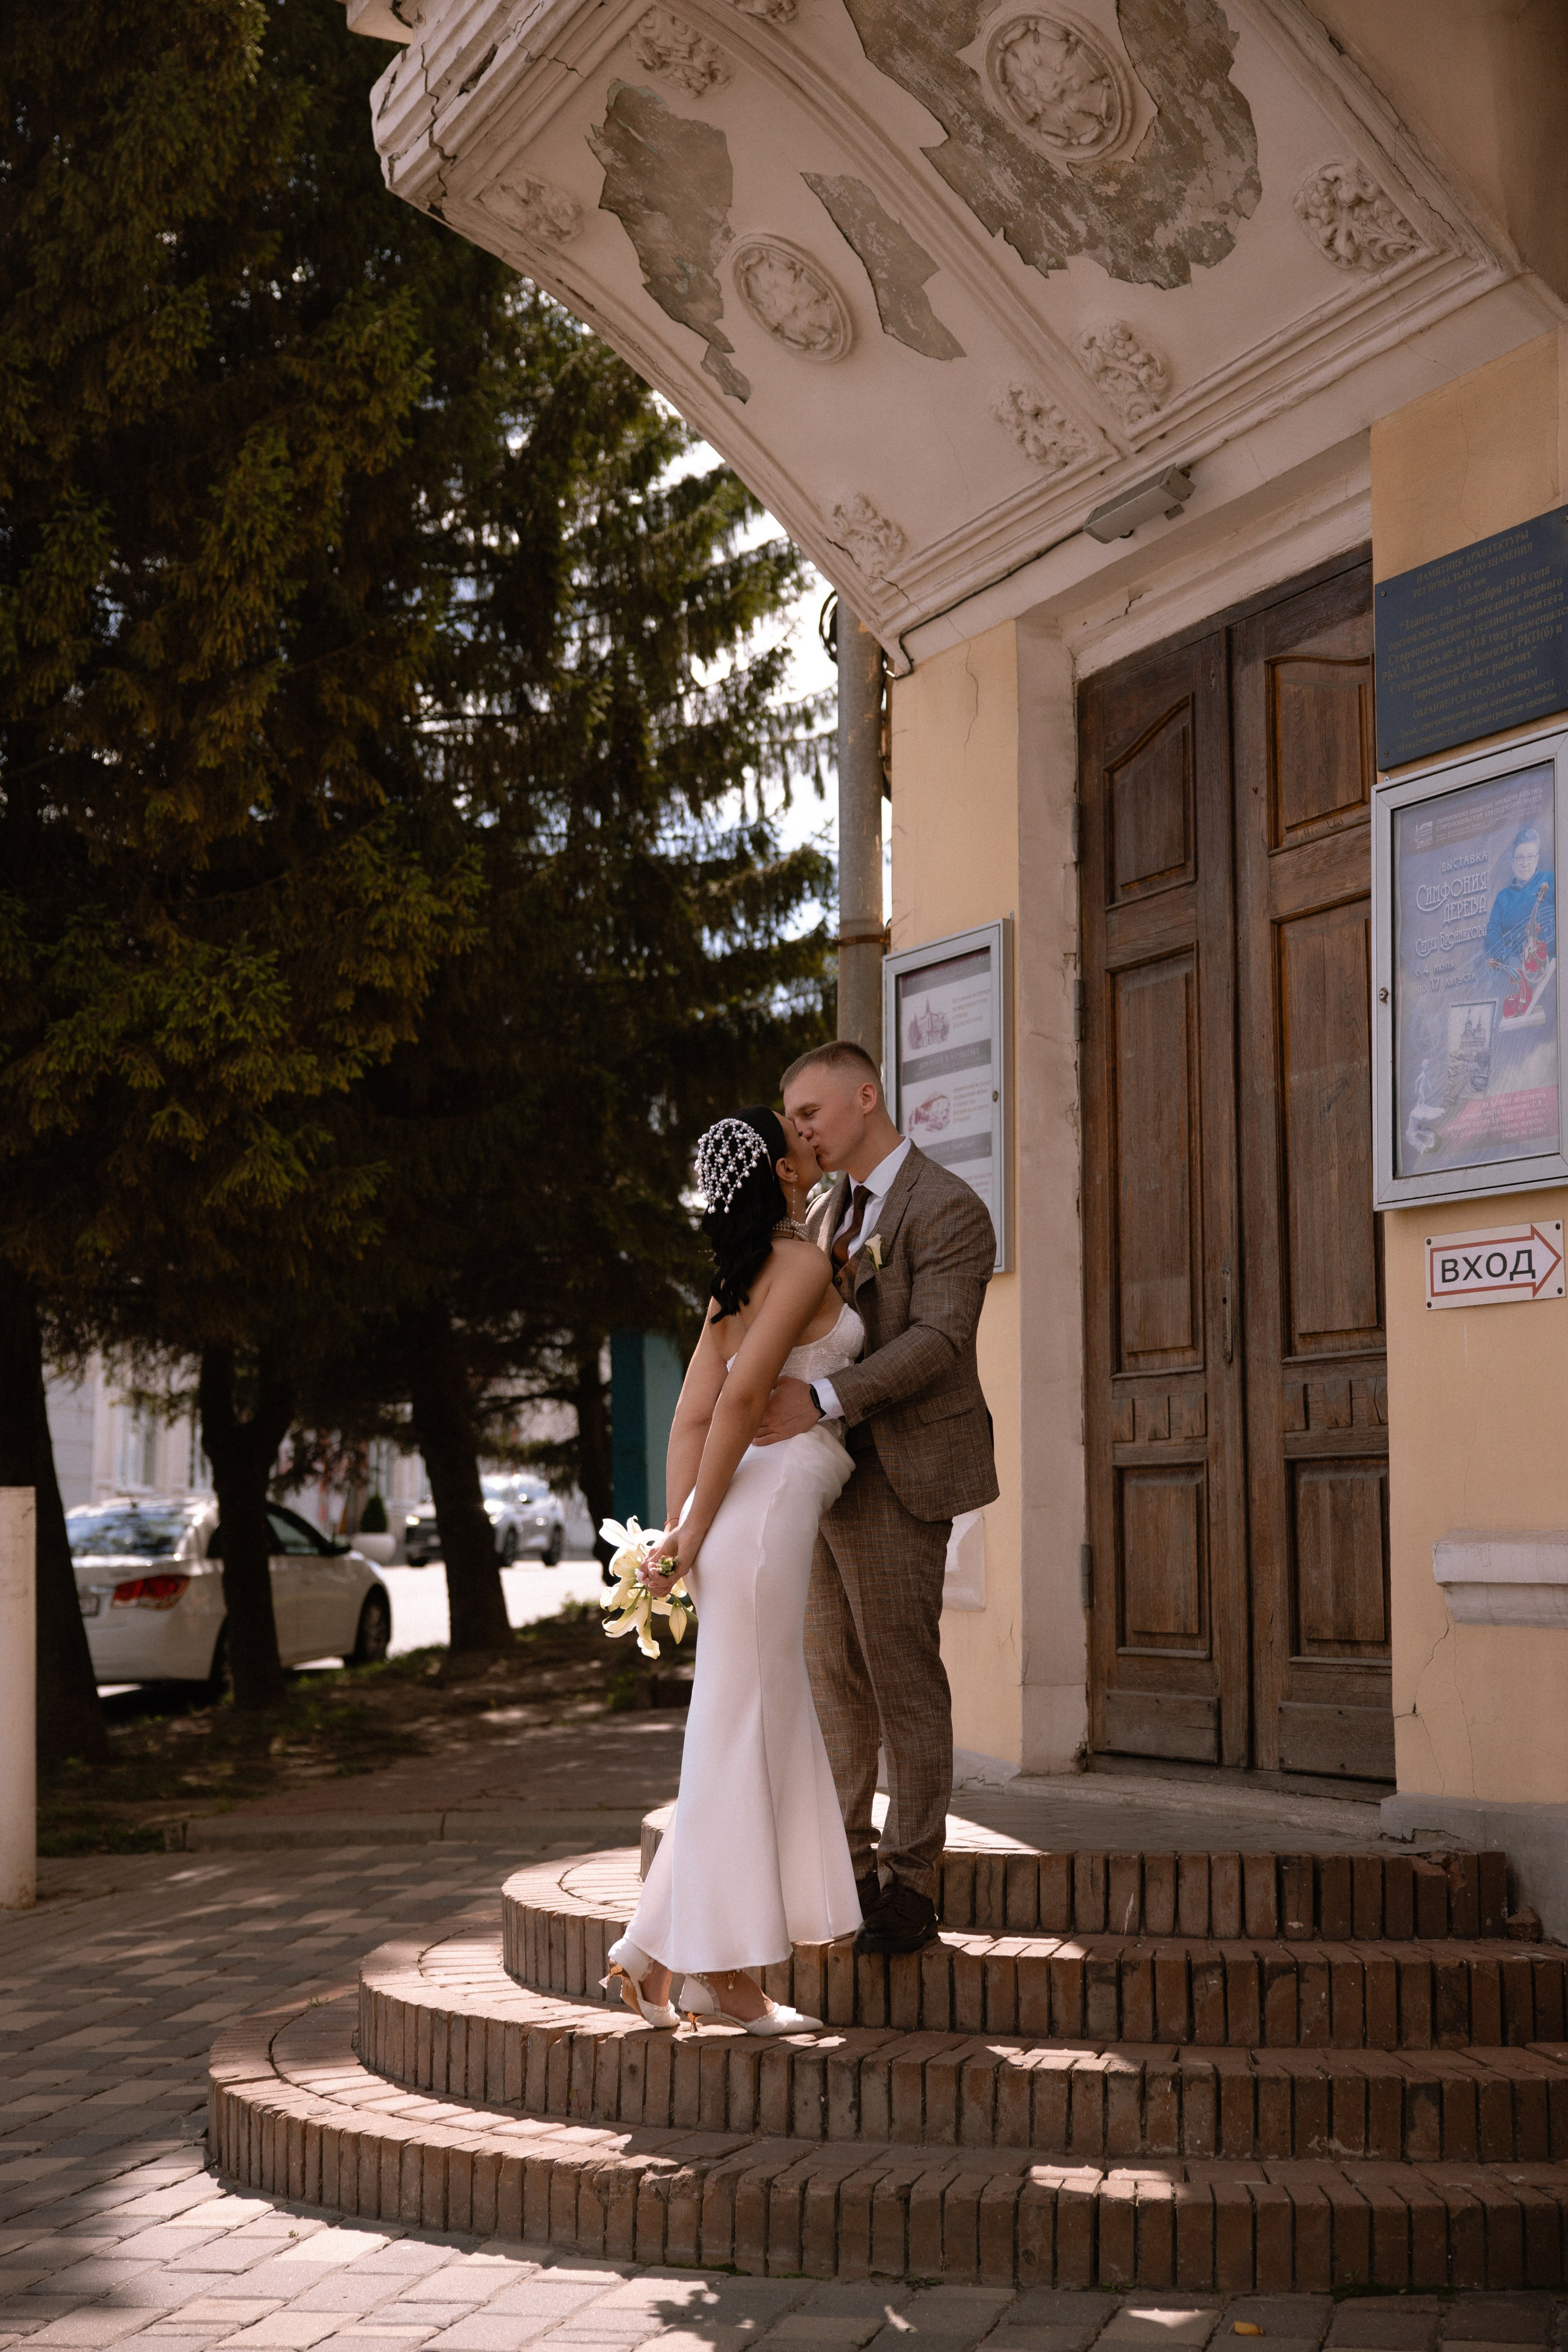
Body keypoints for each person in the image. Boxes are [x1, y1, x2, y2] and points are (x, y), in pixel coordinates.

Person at [601, 1104, 865, 2035]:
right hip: (763, 1515)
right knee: (742, 1739)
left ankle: (651, 1957)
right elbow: (744, 1398)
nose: (809, 1135)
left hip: (737, 1523)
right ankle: (722, 1974)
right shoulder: (799, 1265)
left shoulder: (732, 1284)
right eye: (795, 1131)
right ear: (783, 1174)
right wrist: (687, 1536)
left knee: (735, 1736)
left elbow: (689, 1417)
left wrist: (680, 1530)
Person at [755, 1039, 998, 1956]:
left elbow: (939, 1339)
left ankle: (911, 1881)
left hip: (902, 1470)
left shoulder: (949, 1205)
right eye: (793, 1120)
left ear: (866, 1098)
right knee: (833, 1676)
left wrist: (820, 1398)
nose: (802, 1133)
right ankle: (849, 1866)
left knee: (900, 1677)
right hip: (817, 1476)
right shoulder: (821, 1210)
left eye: (810, 1114)